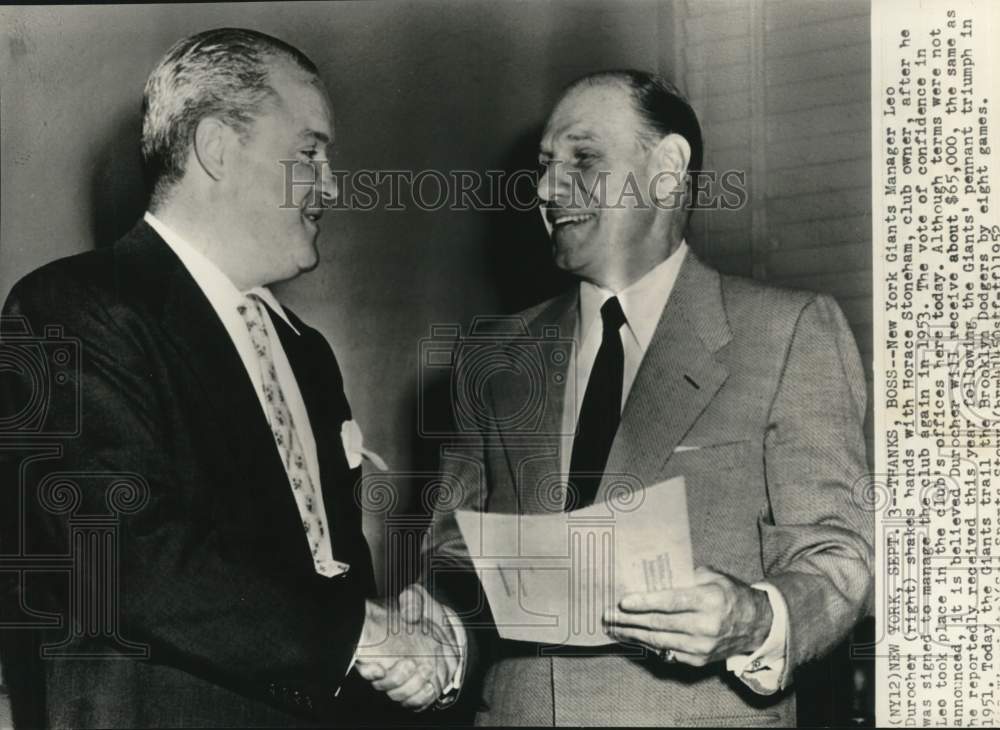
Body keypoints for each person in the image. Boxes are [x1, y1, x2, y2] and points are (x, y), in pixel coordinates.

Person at [375, 70, 875, 725]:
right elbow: (456, 556)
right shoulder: (489, 356)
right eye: (545, 166)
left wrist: (755, 618)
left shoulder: (788, 331)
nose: (548, 189)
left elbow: (837, 555)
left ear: (667, 169)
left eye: (583, 160)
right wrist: (436, 627)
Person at [0, 28, 457, 728]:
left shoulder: (305, 352)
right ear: (216, 147)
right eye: (309, 153)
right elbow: (126, 554)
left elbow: (325, 575)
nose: (331, 184)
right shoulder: (68, 310)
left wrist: (400, 644)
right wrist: (365, 634)